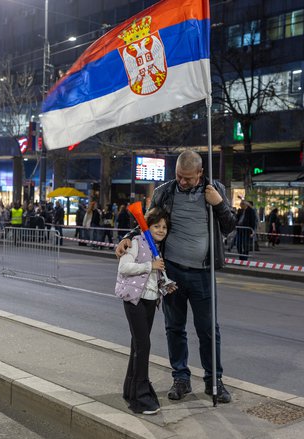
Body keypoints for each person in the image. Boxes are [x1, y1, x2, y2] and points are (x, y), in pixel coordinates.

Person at [115, 150, 236, 403]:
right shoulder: (164, 192)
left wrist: (219, 204)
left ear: (200, 174)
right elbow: (148, 224)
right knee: (174, 328)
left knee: (208, 330)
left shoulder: (215, 190)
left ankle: (214, 380)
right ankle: (181, 378)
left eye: (189, 179)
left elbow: (230, 226)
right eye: (179, 176)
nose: (183, 182)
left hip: (203, 272)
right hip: (171, 272)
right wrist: (127, 237)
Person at [115, 207, 176, 415]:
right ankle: (141, 398)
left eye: (164, 227)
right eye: (156, 226)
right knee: (143, 345)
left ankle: (130, 391)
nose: (161, 230)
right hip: (135, 299)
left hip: (151, 299)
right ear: (147, 226)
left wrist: (164, 284)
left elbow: (153, 277)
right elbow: (124, 267)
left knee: (137, 345)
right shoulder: (135, 242)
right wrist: (150, 265)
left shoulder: (158, 246)